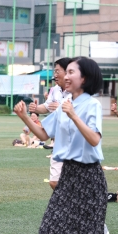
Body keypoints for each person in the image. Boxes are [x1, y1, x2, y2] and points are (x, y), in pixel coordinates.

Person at [15, 57, 107, 234]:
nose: (65, 76)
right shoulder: (66, 105)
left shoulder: (91, 105)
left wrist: (74, 116)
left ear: (84, 78)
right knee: (48, 230)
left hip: (89, 178)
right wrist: (24, 117)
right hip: (68, 176)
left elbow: (94, 139)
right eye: (66, 72)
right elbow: (44, 134)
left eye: (71, 72)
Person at [29, 58, 71, 189]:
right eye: (54, 71)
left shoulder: (77, 93)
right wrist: (35, 108)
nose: (55, 75)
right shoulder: (55, 90)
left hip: (74, 141)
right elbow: (46, 107)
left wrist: (61, 107)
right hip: (59, 139)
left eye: (58, 71)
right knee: (54, 182)